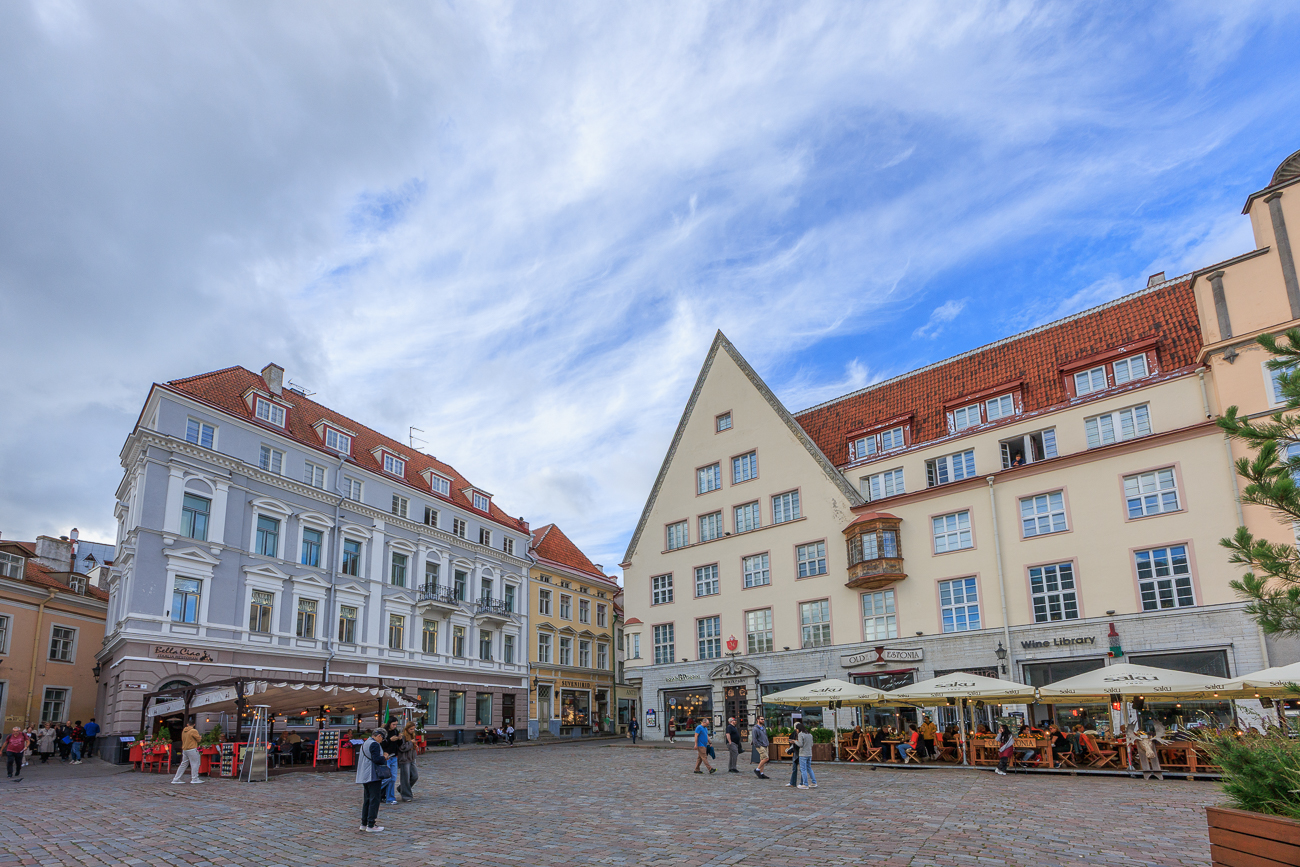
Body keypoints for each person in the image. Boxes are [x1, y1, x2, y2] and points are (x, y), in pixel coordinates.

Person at [355, 728, 387, 833]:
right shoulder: (374, 744)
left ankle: (364, 824)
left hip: (365, 775)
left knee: (367, 800)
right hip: (372, 775)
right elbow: (376, 759)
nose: (382, 741)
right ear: (379, 736)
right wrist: (384, 757)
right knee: (374, 799)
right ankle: (371, 824)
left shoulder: (365, 743)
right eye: (383, 738)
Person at [170, 719, 205, 784]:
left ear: (187, 724)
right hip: (192, 748)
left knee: (183, 764)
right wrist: (200, 737)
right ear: (194, 724)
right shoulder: (194, 731)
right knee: (195, 763)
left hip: (185, 749)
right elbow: (198, 740)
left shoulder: (184, 731)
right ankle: (194, 779)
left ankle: (176, 779)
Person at [397, 722, 419, 802]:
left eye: (413, 729)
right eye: (411, 729)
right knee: (405, 778)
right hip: (404, 759)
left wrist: (414, 746)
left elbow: (411, 746)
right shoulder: (402, 737)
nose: (412, 731)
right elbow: (402, 748)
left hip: (412, 759)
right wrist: (410, 743)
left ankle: (402, 788)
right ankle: (406, 795)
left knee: (415, 776)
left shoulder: (412, 735)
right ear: (407, 729)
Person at [381, 721, 401, 804]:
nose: (395, 726)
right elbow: (382, 744)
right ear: (389, 724)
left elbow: (398, 745)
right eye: (393, 724)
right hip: (386, 757)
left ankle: (390, 798)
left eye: (396, 724)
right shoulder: (384, 732)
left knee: (393, 778)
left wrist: (399, 739)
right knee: (386, 778)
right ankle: (375, 792)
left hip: (394, 756)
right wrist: (390, 740)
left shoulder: (395, 731)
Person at [796, 722, 817, 789]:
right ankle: (814, 782)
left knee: (803, 769)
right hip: (809, 753)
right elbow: (812, 744)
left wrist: (795, 741)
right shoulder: (809, 734)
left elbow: (800, 744)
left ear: (798, 729)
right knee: (809, 768)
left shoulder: (800, 734)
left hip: (803, 754)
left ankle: (805, 784)